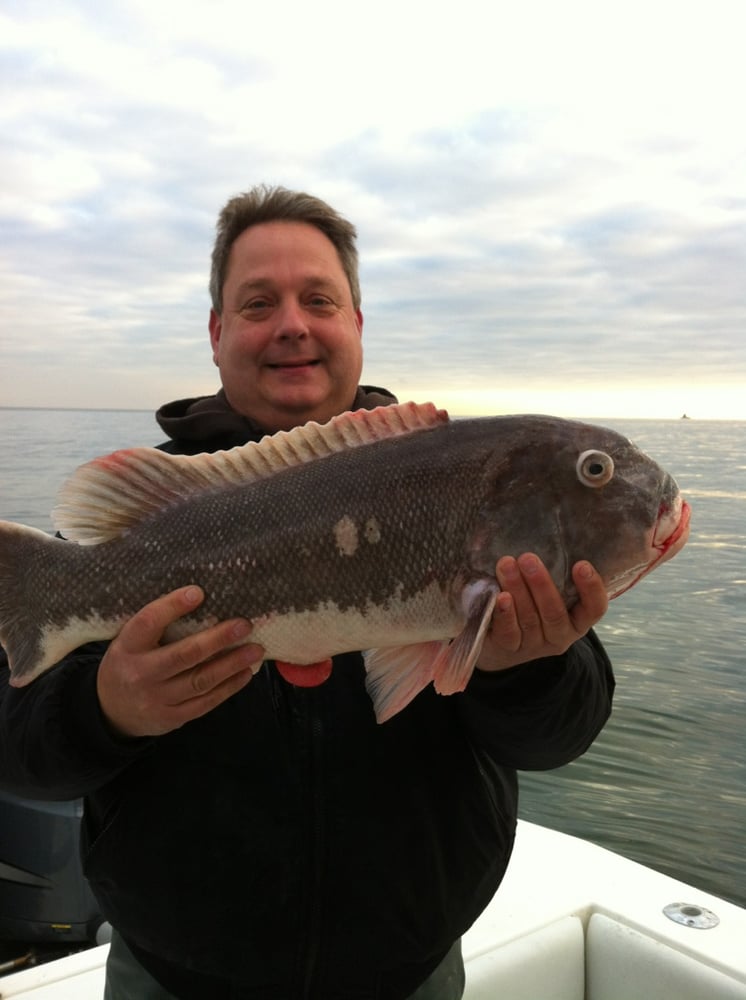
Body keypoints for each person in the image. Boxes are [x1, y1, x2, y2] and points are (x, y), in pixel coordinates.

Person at [0, 185, 614, 999]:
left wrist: (525, 666)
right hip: (172, 977)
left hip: (411, 974)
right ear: (218, 336)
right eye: (259, 303)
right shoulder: (147, 525)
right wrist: (106, 707)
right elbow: (17, 754)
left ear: (356, 325)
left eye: (319, 299)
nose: (292, 323)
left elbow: (558, 737)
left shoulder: (465, 485)